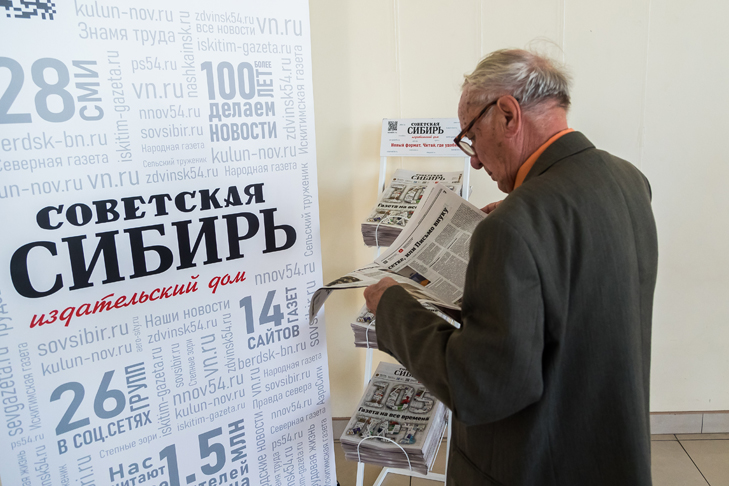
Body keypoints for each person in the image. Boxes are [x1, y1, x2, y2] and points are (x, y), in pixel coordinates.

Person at [364, 49, 658, 486]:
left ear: (507, 114)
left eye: (471, 135)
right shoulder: (629, 179)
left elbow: (482, 387)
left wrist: (392, 306)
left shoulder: (513, 226)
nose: (474, 159)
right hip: (612, 455)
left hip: (533, 466)